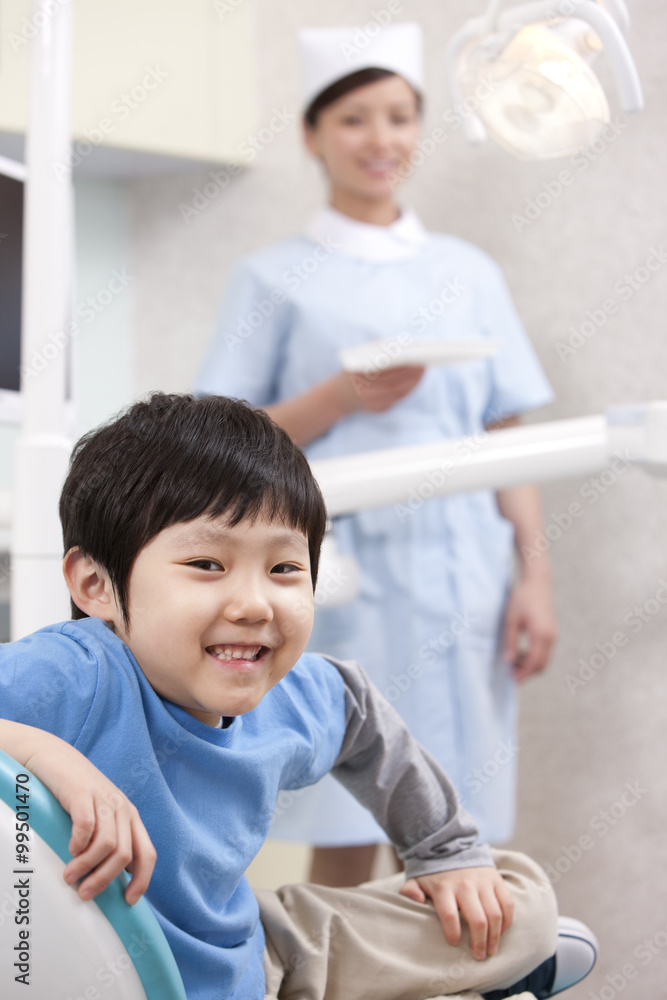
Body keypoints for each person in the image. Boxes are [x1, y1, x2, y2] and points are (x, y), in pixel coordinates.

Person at [0, 393, 596, 1000]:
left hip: (256, 958)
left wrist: (445, 850)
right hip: (107, 975)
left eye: (284, 568)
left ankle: (487, 957)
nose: (255, 604)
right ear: (97, 585)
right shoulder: (76, 673)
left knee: (516, 898)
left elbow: (360, 716)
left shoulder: (285, 694)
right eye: (208, 563)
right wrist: (40, 752)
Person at [194, 22, 558, 885]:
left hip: (463, 577)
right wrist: (339, 397)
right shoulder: (272, 276)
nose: (381, 139)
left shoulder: (466, 271)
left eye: (399, 117)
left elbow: (505, 432)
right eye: (355, 118)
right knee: (342, 806)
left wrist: (534, 578)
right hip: (338, 574)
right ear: (312, 134)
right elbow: (222, 438)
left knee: (453, 829)